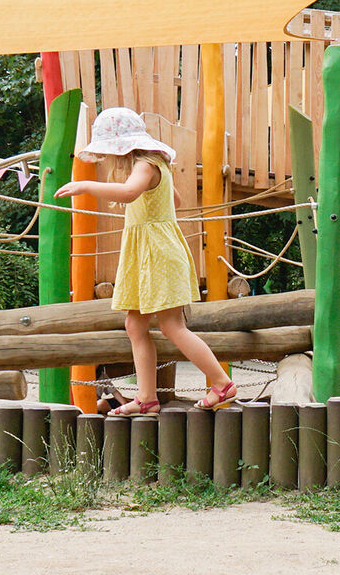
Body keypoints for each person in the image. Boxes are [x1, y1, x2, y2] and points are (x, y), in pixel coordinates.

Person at [56, 107, 234, 415]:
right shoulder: (156, 166)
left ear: (122, 147)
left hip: (158, 253)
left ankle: (221, 383)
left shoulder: (146, 164)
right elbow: (174, 201)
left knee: (172, 325)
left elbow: (127, 193)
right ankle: (146, 397)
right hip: (147, 253)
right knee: (135, 324)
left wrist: (85, 187)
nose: (107, 160)